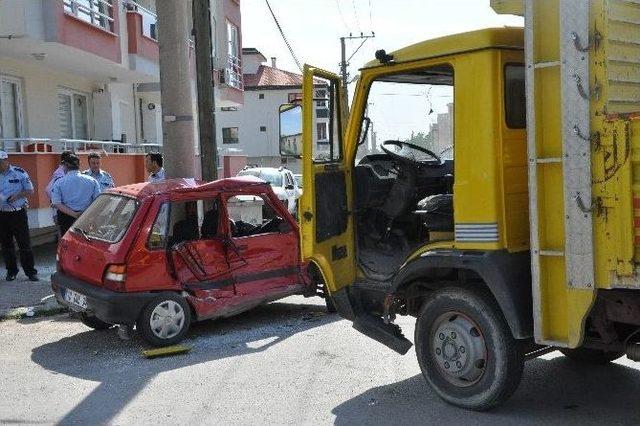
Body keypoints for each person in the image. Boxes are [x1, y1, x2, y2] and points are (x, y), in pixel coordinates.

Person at [0, 150, 38, 281]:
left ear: (6, 160)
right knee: (6, 244)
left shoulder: (19, 172)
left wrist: (16, 196)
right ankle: (11, 271)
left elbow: (30, 190)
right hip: (2, 214)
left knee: (24, 243)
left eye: (0, 162)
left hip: (18, 213)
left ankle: (30, 272)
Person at [51, 154, 101, 237]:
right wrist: (84, 214)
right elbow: (98, 201)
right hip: (86, 217)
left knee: (68, 243)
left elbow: (56, 203)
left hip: (66, 218)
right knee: (85, 242)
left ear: (66, 166)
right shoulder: (92, 181)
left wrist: (74, 214)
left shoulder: (59, 182)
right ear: (79, 165)